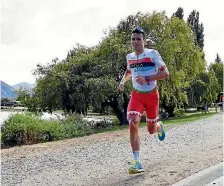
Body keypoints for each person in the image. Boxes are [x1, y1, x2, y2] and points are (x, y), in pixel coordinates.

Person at [118, 27, 169, 174]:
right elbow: (129, 72)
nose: (135, 42)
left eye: (138, 39)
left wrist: (147, 78)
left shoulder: (152, 54)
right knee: (133, 122)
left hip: (152, 96)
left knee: (151, 130)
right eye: (133, 39)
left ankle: (158, 126)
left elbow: (165, 73)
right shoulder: (130, 57)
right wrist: (123, 82)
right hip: (137, 95)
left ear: (144, 41)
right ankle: (137, 163)